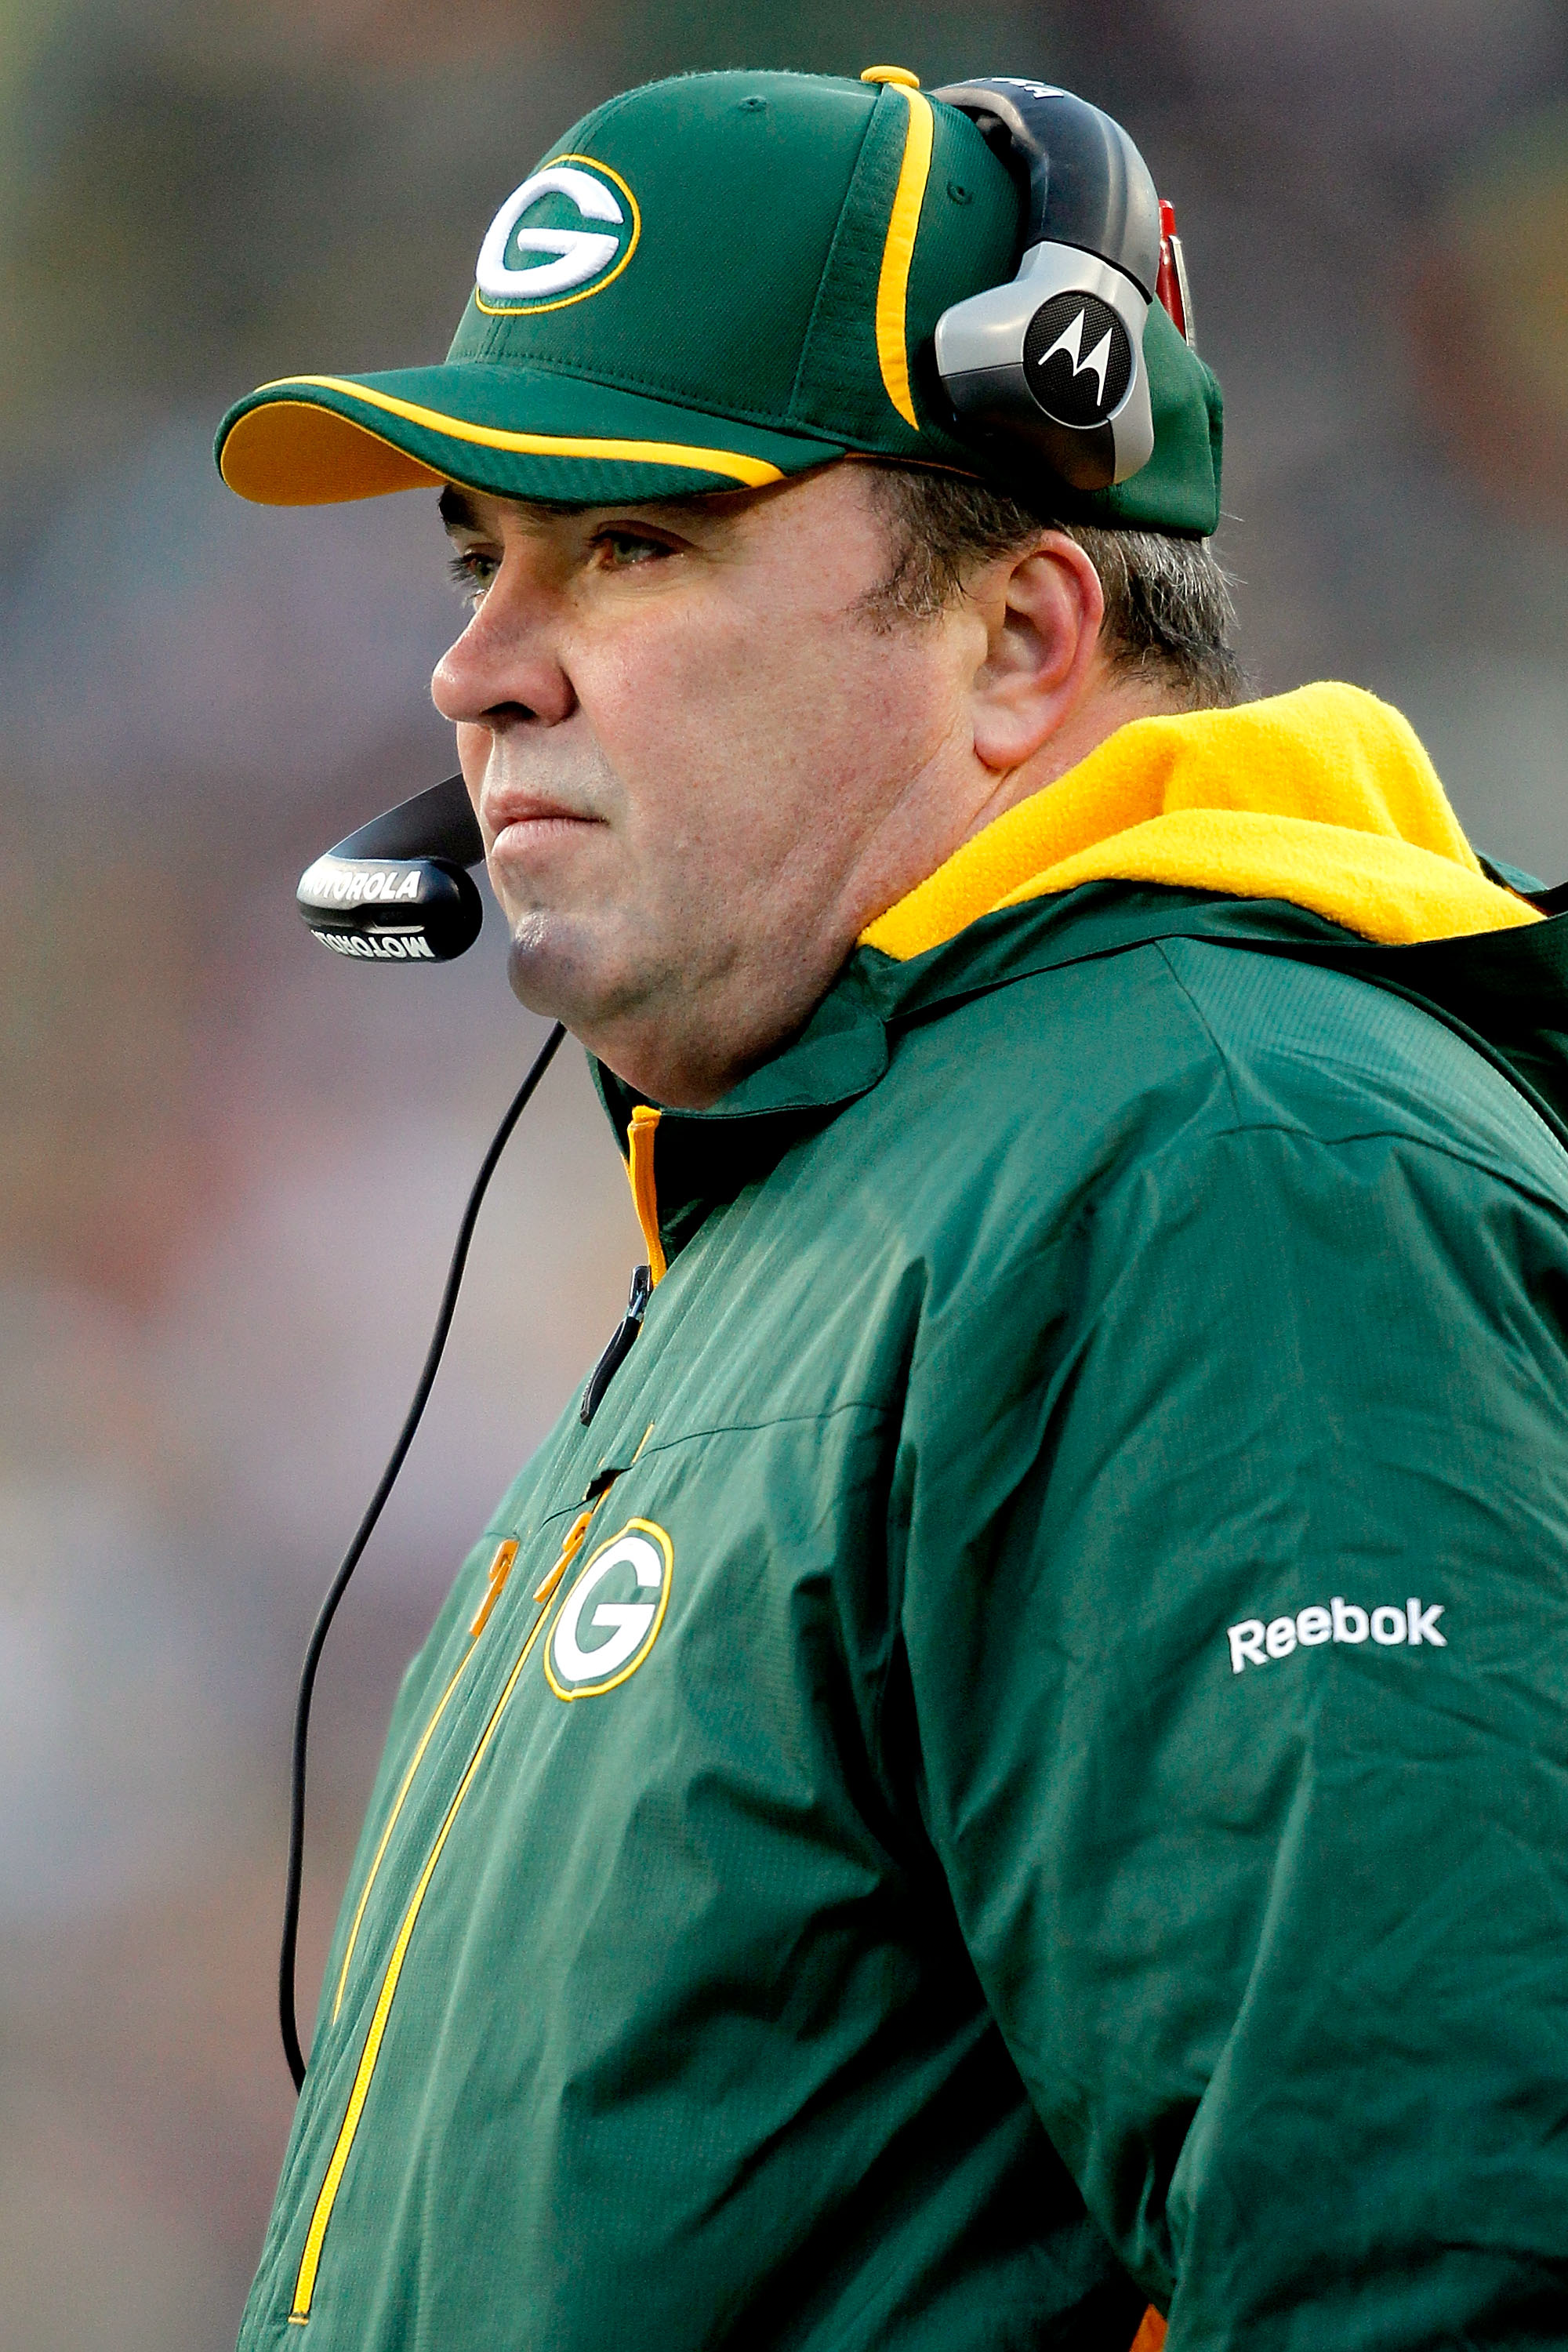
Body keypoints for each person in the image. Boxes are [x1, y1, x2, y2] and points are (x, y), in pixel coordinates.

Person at [216, 64, 1568, 2352]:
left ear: (1025, 638)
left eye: (629, 544)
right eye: (479, 552)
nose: (471, 671)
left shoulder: (1228, 1173)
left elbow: (1441, 2261)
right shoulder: (870, 1191)